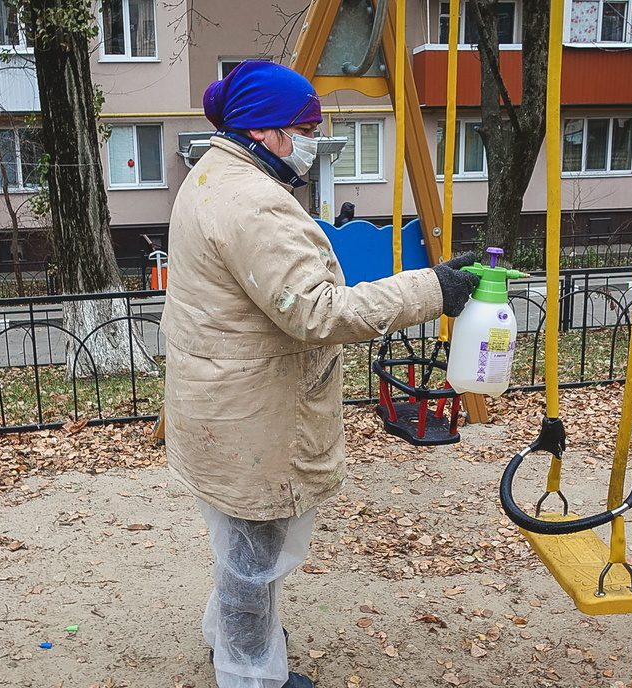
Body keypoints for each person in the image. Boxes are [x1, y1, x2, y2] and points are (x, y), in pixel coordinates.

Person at [161, 60, 479, 688]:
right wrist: (430, 290)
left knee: (241, 548)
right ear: (269, 132)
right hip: (253, 417)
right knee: (256, 553)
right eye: (307, 128)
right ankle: (251, 676)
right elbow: (315, 312)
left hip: (223, 403)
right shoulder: (251, 202)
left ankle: (233, 642)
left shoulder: (213, 176)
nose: (313, 142)